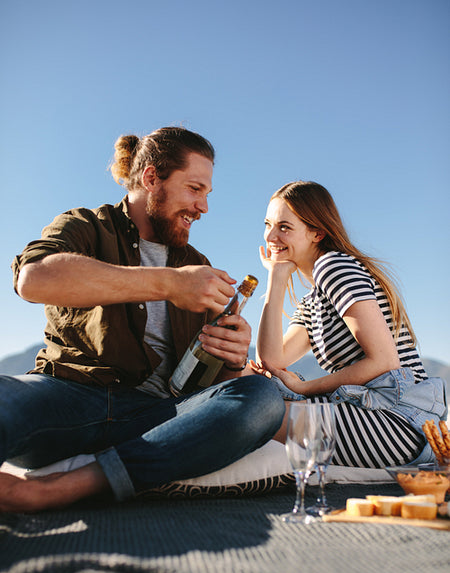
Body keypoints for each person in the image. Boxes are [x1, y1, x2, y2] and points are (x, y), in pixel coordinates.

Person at [0, 126, 285, 512]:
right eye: (195, 189)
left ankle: (58, 489)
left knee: (262, 399)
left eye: (206, 194)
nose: (203, 207)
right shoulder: (86, 226)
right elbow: (33, 278)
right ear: (151, 178)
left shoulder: (196, 266)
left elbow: (209, 383)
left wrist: (231, 360)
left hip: (157, 416)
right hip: (67, 396)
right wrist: (168, 284)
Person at [251, 180, 446, 468]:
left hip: (399, 421)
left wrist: (306, 389)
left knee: (256, 413)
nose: (270, 235)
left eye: (284, 227)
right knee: (248, 388)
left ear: (317, 232)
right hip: (364, 408)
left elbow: (384, 361)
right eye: (268, 224)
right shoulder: (312, 300)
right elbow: (271, 362)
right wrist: (276, 277)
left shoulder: (334, 267)